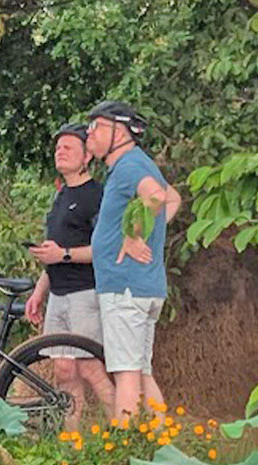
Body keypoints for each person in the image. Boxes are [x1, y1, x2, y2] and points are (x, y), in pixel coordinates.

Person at [85, 100, 182, 420]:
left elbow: (155, 196)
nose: (90, 133)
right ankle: (160, 444)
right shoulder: (135, 164)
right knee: (141, 372)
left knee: (126, 373)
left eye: (97, 126)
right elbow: (172, 198)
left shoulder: (129, 165)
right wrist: (149, 230)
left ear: (120, 131)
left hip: (125, 287)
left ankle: (124, 454)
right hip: (141, 286)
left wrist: (134, 234)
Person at [24, 122, 114, 430]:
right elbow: (53, 252)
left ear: (87, 156)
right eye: (57, 148)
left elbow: (103, 249)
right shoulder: (61, 195)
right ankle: (70, 442)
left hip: (85, 293)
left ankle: (125, 435)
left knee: (90, 368)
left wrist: (62, 254)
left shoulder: (96, 196)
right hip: (58, 294)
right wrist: (39, 292)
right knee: (63, 370)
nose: (60, 153)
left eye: (68, 148)